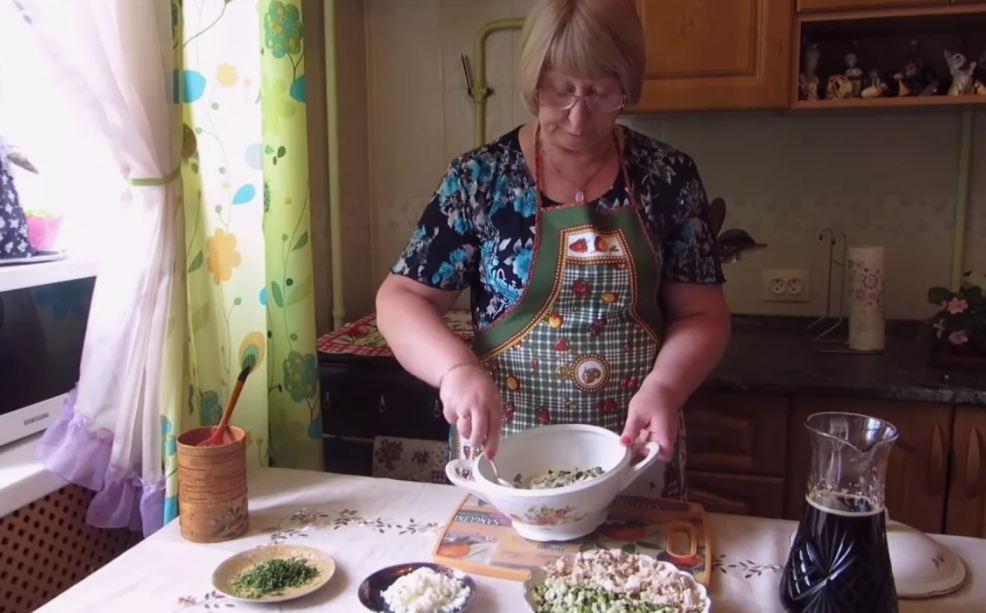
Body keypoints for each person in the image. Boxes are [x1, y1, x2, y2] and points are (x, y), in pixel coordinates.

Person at [375, 0, 731, 499]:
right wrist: (455, 369)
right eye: (560, 91)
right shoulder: (480, 179)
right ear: (533, 81)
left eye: (601, 93)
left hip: (632, 454)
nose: (579, 119)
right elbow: (400, 299)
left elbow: (702, 314)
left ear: (627, 85)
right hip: (507, 458)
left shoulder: (667, 177)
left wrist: (666, 387)